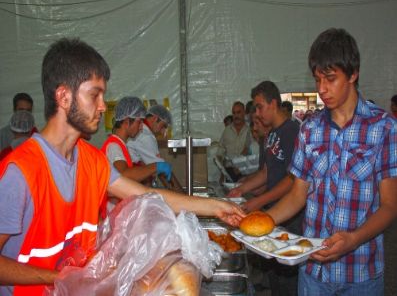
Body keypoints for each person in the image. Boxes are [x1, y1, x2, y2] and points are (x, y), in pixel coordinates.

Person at [0, 38, 245, 296]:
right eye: (95, 95)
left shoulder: (92, 161)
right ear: (63, 96)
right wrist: (61, 277)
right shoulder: (20, 171)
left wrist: (217, 207)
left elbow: (149, 197)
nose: (103, 106)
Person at [266, 28, 397, 296]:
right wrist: (261, 221)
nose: (322, 89)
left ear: (353, 74)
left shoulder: (383, 127)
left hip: (361, 273)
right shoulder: (310, 129)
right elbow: (297, 194)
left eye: (330, 79)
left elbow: (389, 205)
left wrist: (353, 240)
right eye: (317, 80)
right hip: (314, 273)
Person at [229, 81, 303, 296]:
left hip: (290, 214)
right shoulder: (272, 135)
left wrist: (257, 202)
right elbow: (266, 172)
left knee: (287, 275)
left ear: (273, 103)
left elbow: (291, 181)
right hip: (272, 211)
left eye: (260, 107)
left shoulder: (292, 132)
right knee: (274, 273)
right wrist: (240, 190)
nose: (257, 113)